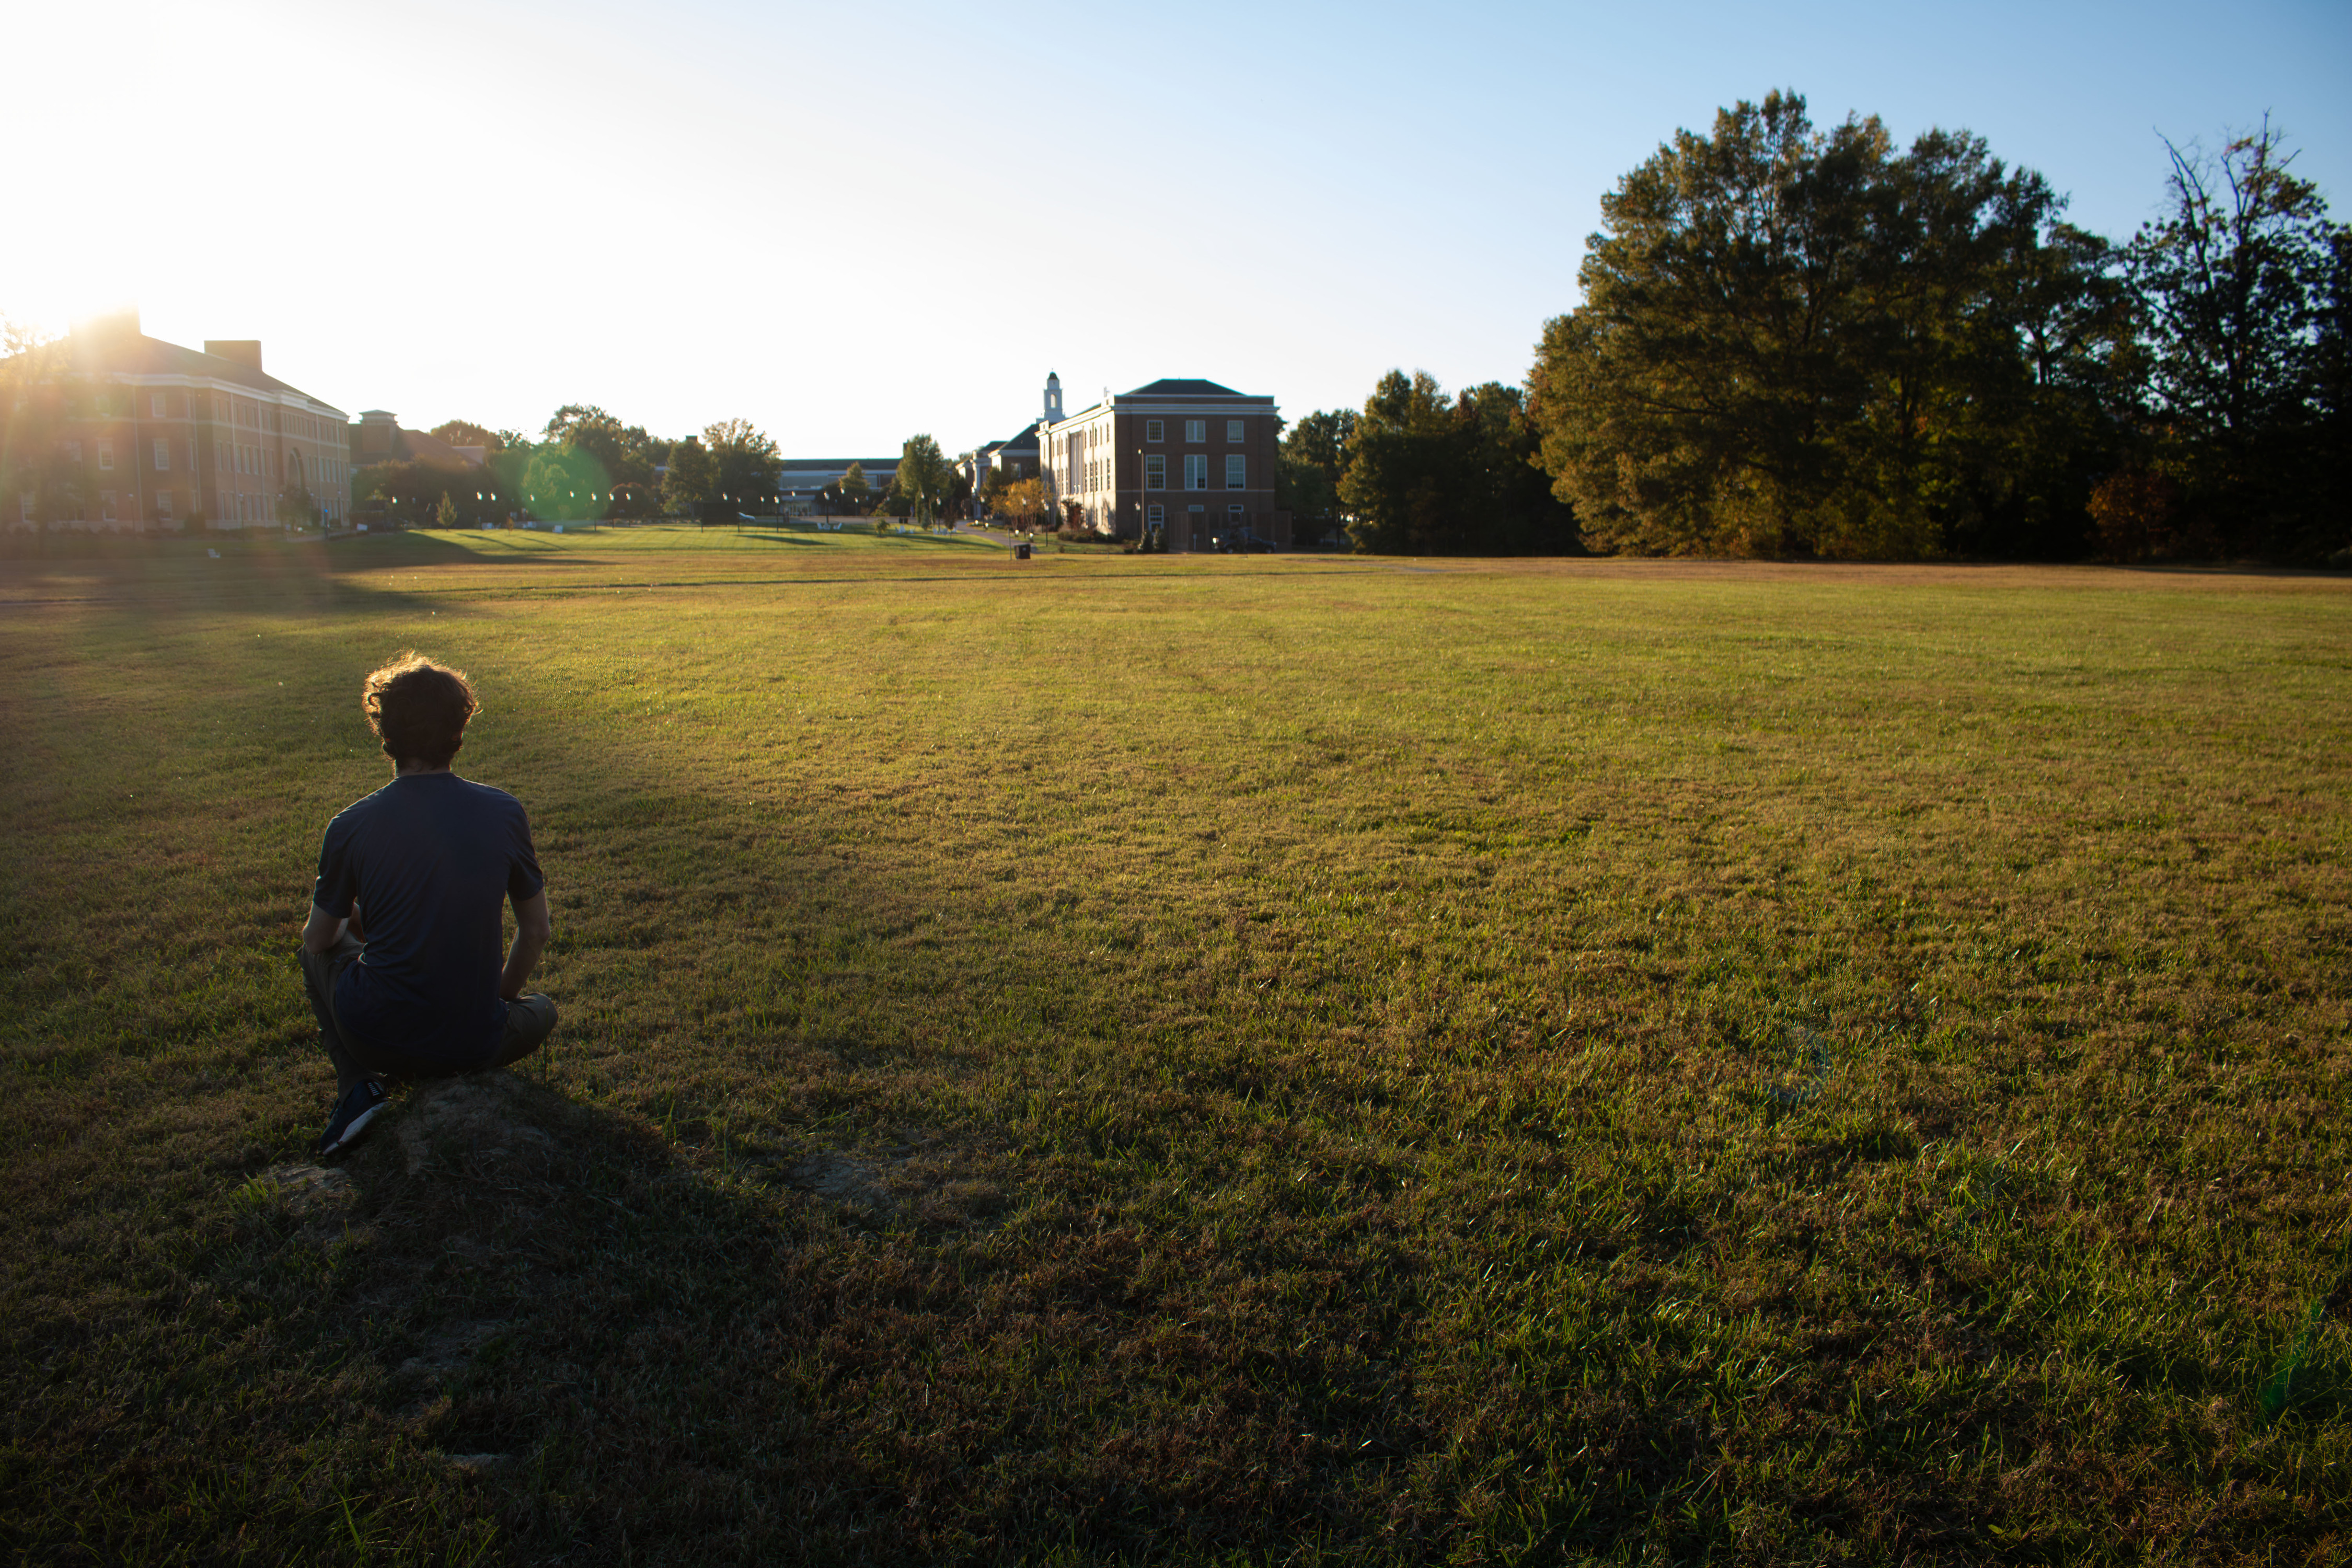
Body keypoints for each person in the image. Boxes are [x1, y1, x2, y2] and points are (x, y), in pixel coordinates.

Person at [299, 652, 557, 1156]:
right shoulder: (504, 811)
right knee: (543, 1009)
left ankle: (357, 1087)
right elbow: (537, 930)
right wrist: (496, 1001)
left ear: (385, 733)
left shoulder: (349, 825)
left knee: (315, 952)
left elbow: (318, 940)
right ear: (459, 731)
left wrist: (353, 920)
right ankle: (463, 1034)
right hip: (477, 1041)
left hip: (375, 1038)